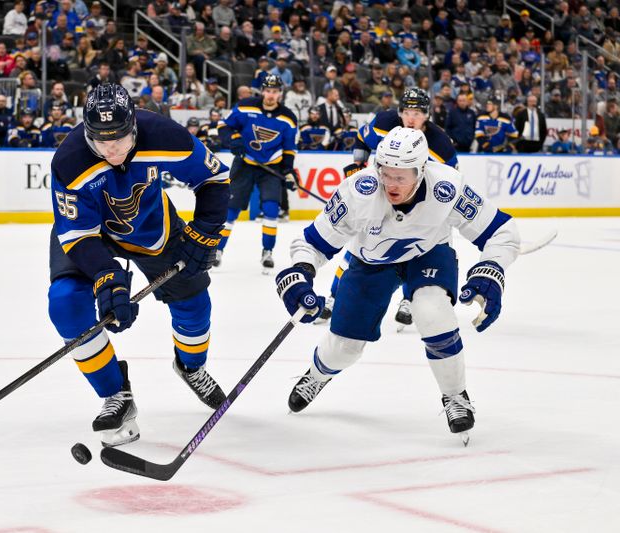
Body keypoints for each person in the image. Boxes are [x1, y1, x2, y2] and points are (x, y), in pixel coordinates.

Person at [275, 126, 520, 444]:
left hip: (429, 253)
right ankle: (317, 374)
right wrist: (301, 271)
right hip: (371, 261)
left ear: (421, 171)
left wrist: (492, 268)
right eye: (385, 173)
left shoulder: (446, 187)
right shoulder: (357, 191)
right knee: (344, 348)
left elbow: (501, 231)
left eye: (400, 177)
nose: (390, 184)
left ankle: (455, 396)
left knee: (431, 311)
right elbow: (313, 242)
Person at [47, 84, 230, 446]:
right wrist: (107, 278)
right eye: (101, 141)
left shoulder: (163, 134)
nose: (111, 149)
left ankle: (191, 367)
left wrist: (204, 234)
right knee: (65, 303)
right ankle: (115, 393)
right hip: (89, 235)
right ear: (86, 133)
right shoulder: (69, 161)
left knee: (194, 304)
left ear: (134, 127)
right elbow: (78, 236)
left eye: (119, 138)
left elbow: (213, 179)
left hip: (151, 228)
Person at [317, 87, 458, 328]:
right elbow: (362, 139)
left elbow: (452, 179)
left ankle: (407, 300)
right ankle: (334, 297)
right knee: (358, 247)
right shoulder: (384, 122)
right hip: (381, 198)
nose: (411, 118)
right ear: (399, 112)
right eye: (406, 111)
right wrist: (357, 165)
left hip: (418, 208)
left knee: (414, 251)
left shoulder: (440, 144)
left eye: (417, 112)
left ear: (427, 115)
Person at [215, 74, 299, 272]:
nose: (271, 95)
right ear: (262, 91)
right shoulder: (246, 106)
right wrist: (234, 140)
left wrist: (288, 170)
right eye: (268, 91)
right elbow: (223, 126)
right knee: (231, 210)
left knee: (271, 209)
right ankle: (217, 250)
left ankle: (267, 252)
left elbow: (289, 148)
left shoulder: (288, 117)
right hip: (244, 164)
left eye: (275, 91)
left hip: (271, 167)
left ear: (280, 93)